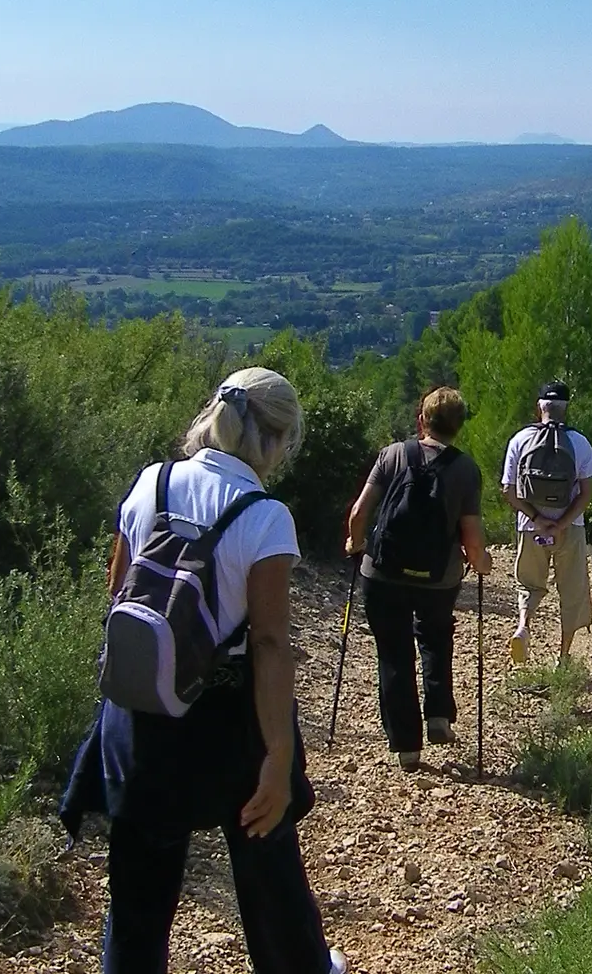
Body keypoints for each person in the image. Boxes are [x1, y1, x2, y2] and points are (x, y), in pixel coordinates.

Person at [60, 368, 347, 974]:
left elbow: (119, 597)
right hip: (226, 725)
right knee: (269, 873)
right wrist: (277, 758)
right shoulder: (265, 517)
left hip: (139, 716)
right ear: (277, 440)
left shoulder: (150, 484)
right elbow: (270, 643)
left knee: (137, 900)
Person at [343, 386, 492, 771]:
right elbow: (472, 537)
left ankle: (407, 747)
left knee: (393, 652)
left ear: (421, 419)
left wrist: (355, 542)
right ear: (459, 426)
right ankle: (439, 715)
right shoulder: (465, 469)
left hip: (383, 571)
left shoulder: (392, 455)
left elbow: (360, 511)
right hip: (438, 577)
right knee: (436, 636)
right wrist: (482, 562)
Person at [501, 380, 592, 664]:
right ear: (565, 408)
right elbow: (586, 493)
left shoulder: (519, 440)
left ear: (540, 407)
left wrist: (537, 518)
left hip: (531, 528)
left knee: (529, 584)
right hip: (570, 529)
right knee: (571, 590)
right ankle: (564, 657)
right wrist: (561, 523)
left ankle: (522, 627)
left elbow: (508, 490)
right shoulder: (579, 442)